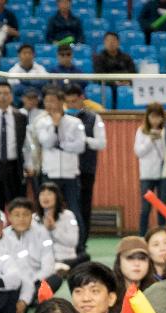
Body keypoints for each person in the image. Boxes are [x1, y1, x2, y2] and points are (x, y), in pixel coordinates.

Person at [34, 87, 85, 223]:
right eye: (46, 101)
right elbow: (47, 142)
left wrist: (62, 145)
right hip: (50, 173)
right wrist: (55, 126)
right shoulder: (41, 123)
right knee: (48, 208)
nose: (49, 105)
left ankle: (78, 244)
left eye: (53, 101)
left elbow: (80, 146)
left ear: (62, 102)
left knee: (74, 209)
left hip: (70, 173)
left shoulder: (75, 123)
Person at [64, 85, 105, 252]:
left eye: (75, 100)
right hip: (66, 169)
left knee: (84, 206)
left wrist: (83, 140)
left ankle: (83, 241)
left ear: (82, 98)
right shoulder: (62, 117)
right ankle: (68, 242)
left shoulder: (94, 118)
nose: (72, 104)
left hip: (86, 168)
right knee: (68, 207)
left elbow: (101, 143)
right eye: (69, 101)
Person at [135, 104, 166, 235]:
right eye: (152, 116)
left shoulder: (165, 131)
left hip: (163, 174)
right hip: (147, 175)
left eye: (158, 117)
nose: (155, 120)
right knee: (145, 208)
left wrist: (161, 138)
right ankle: (142, 235)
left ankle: (163, 233)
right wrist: (150, 139)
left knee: (162, 207)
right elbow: (138, 152)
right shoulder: (141, 131)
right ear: (147, 117)